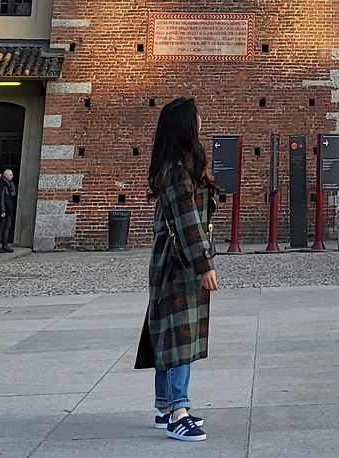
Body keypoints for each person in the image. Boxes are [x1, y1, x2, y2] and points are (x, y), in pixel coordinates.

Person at [135, 97, 217, 441]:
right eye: (197, 117)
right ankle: (178, 413)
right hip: (178, 262)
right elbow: (188, 222)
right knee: (179, 335)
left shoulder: (176, 167)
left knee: (167, 332)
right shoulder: (178, 173)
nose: (201, 122)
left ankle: (164, 406)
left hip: (171, 259)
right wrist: (204, 264)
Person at [0, 168, 17, 253]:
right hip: (2, 210)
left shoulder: (10, 185)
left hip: (8, 211)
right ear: (6, 176)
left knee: (6, 228)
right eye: (10, 175)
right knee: (0, 229)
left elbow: (11, 199)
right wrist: (2, 211)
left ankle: (5, 245)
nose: (12, 176)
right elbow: (0, 199)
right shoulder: (2, 185)